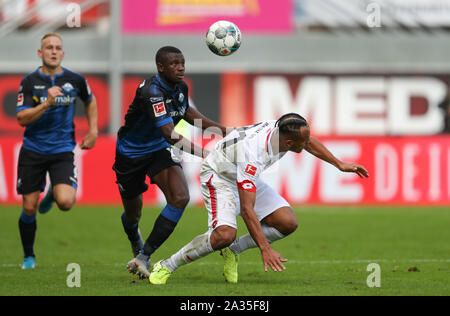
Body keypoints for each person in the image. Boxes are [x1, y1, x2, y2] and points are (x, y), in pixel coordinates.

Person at [149, 113, 369, 284]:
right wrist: (265, 248)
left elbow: (308, 142)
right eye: (303, 141)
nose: (308, 143)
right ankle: (167, 265)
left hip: (241, 173)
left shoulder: (284, 128)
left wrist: (339, 164)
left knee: (287, 222)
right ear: (290, 143)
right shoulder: (253, 154)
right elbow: (247, 209)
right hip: (219, 177)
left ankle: (233, 250)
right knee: (224, 235)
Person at [113, 46, 228, 279]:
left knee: (180, 197)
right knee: (133, 214)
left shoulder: (180, 86)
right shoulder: (151, 92)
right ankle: (134, 235)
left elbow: (187, 113)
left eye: (182, 62)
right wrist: (205, 153)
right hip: (130, 154)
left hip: (158, 150)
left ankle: (143, 257)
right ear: (161, 67)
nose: (181, 67)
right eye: (174, 63)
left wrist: (223, 130)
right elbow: (169, 133)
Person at [16, 32, 98, 269]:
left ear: (63, 53)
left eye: (57, 47)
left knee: (65, 202)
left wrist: (92, 130)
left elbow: (90, 100)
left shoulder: (75, 79)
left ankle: (53, 191)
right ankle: (29, 256)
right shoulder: (29, 81)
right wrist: (46, 104)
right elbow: (22, 118)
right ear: (40, 53)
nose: (53, 51)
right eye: (48, 47)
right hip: (33, 150)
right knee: (29, 207)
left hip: (62, 150)